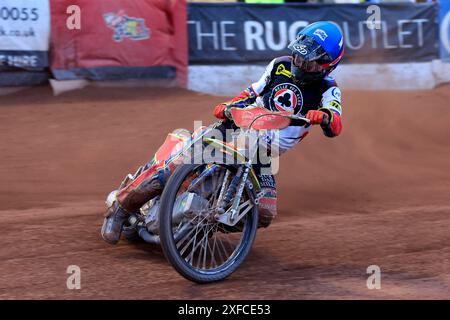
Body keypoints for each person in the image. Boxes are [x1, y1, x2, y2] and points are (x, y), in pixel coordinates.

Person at [101, 21, 344, 245]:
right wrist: (229, 106)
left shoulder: (328, 89)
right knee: (180, 163)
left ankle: (198, 226)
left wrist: (324, 117)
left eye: (307, 62)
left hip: (263, 155)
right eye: (298, 55)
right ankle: (120, 209)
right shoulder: (280, 65)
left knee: (264, 212)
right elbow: (252, 92)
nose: (299, 63)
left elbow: (335, 122)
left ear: (326, 65)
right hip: (239, 127)